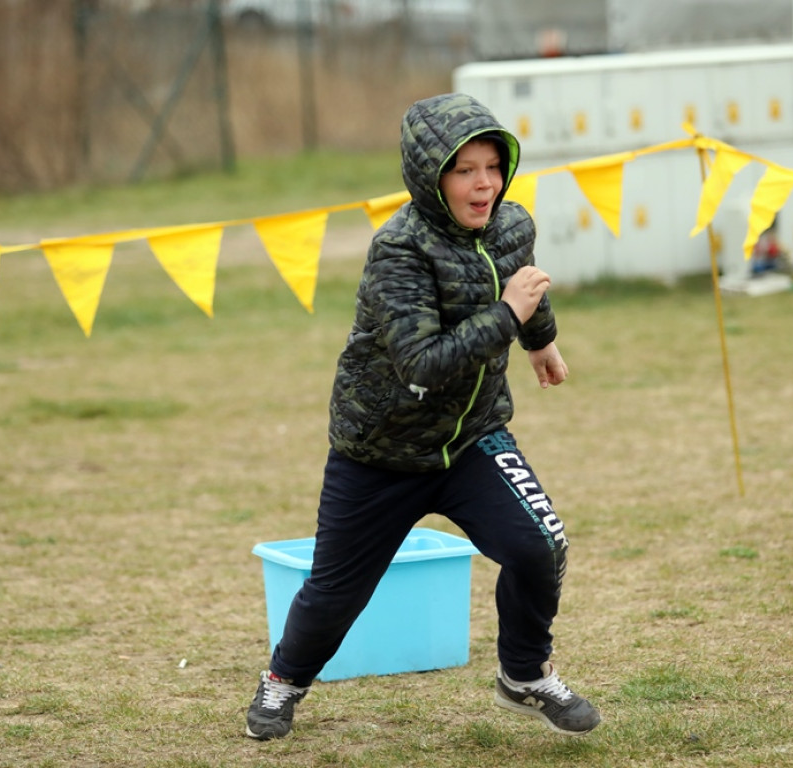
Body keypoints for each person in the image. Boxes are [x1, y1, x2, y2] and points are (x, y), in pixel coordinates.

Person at [245, 92, 601, 740]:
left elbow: (521, 282)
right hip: (380, 450)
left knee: (540, 546)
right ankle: (283, 682)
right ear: (430, 175)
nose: (484, 183)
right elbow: (422, 364)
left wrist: (541, 340)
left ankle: (523, 675)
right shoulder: (399, 251)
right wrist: (511, 317)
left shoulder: (512, 223)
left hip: (471, 439)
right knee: (335, 593)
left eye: (492, 166)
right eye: (465, 170)